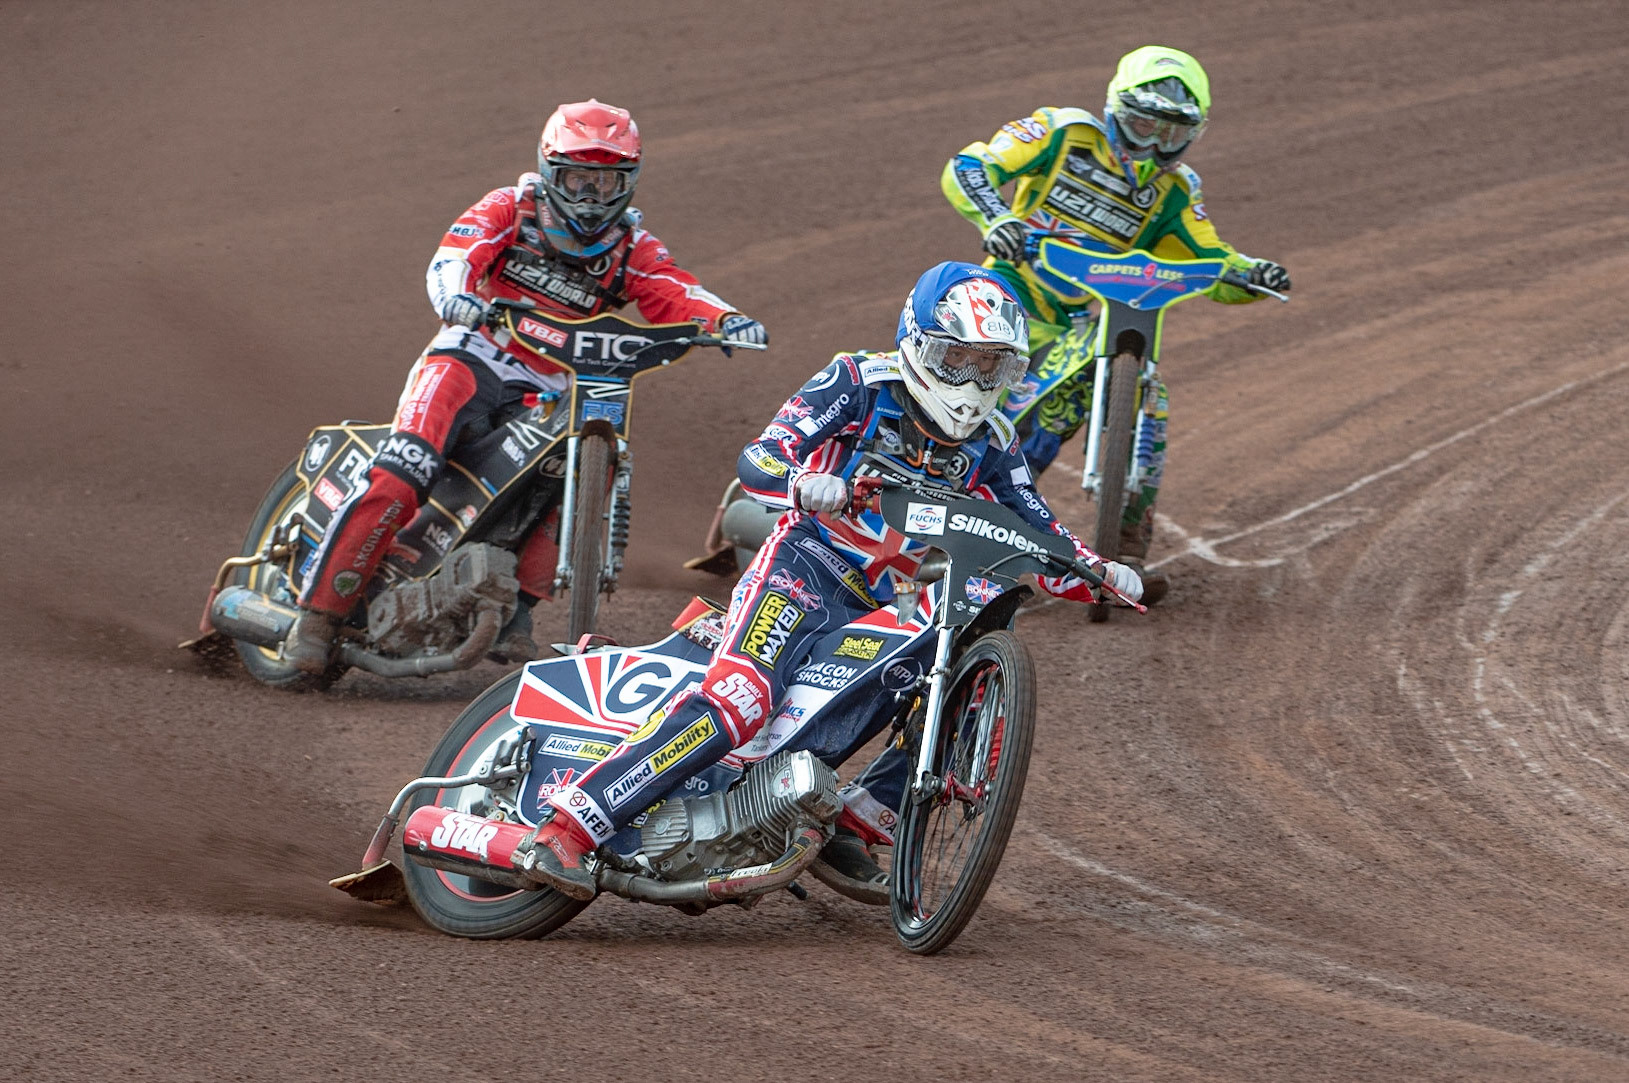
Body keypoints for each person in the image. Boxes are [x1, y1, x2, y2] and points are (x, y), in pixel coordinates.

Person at [515, 261, 1142, 900]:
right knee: (741, 700)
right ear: (921, 342)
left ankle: (855, 813)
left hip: (887, 601)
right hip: (803, 567)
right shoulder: (858, 381)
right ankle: (570, 827)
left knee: (962, 645)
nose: (974, 381)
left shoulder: (997, 444)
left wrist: (1096, 572)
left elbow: (1037, 535)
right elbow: (760, 456)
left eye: (992, 366)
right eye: (960, 358)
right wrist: (802, 482)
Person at [285, 99, 767, 673]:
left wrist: (723, 319)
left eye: (605, 180)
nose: (590, 195)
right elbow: (455, 256)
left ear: (629, 181)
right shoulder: (509, 209)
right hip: (470, 361)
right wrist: (456, 298)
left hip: (552, 388)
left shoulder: (631, 248)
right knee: (402, 471)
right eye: (577, 178)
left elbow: (674, 289)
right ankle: (315, 619)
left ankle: (518, 610)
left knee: (594, 464)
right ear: (548, 170)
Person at [942, 45, 1292, 605]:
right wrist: (997, 216)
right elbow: (970, 165)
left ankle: (1122, 547)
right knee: (946, 409)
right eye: (1142, 123)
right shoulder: (1062, 132)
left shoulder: (1177, 191)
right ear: (1115, 108)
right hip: (1004, 298)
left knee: (1120, 405)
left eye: (1171, 133)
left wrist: (1254, 273)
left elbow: (1211, 258)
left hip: (1083, 325)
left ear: (1192, 135)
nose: (1152, 144)